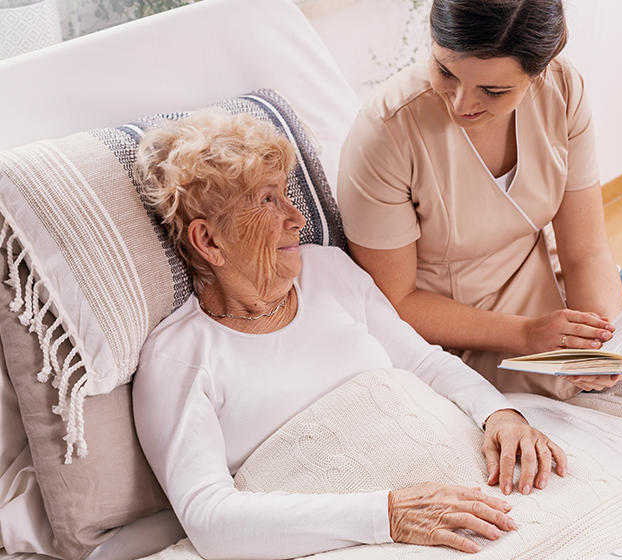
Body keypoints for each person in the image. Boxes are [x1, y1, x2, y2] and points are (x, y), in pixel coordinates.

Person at [131, 110, 567, 560]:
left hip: (474, 492)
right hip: (367, 536)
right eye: (266, 201)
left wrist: (501, 414)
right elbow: (211, 520)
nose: (297, 217)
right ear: (209, 241)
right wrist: (390, 515)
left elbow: (423, 362)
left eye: (286, 194)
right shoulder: (177, 359)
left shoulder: (328, 270)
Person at [336, 0, 622, 401]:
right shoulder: (387, 133)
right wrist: (529, 334)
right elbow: (396, 301)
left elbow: (585, 248)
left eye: (493, 91)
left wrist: (604, 343)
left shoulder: (562, 89)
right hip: (461, 327)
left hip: (545, 283)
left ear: (539, 72)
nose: (460, 104)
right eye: (446, 72)